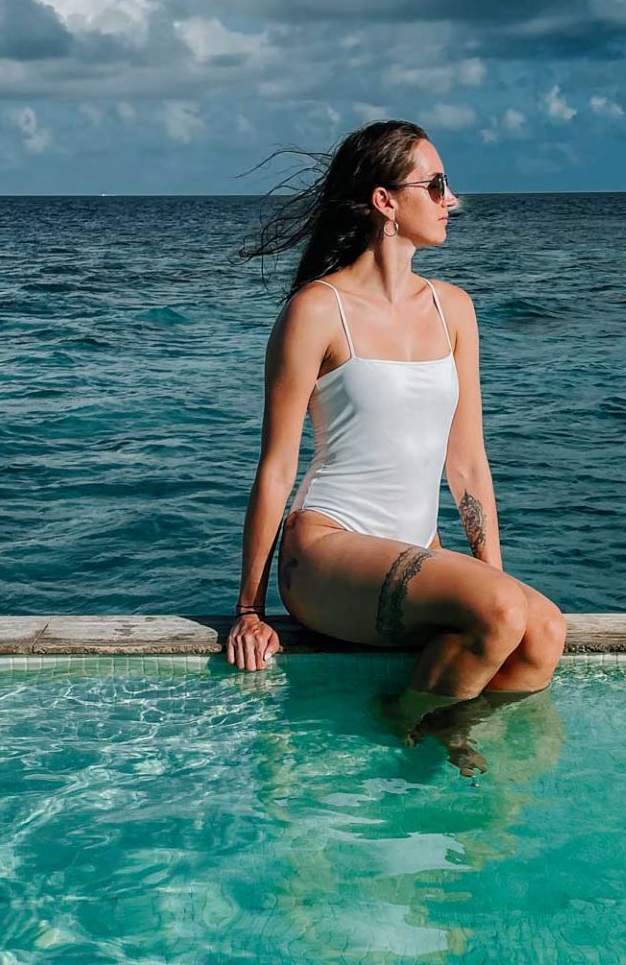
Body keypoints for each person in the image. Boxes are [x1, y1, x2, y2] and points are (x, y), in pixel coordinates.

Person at [231, 120, 567, 745]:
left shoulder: (454, 308)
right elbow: (277, 466)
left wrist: (497, 582)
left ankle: (441, 733)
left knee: (542, 632)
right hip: (328, 548)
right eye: (435, 185)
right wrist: (249, 610)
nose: (452, 200)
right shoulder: (317, 310)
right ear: (385, 202)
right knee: (498, 611)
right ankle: (399, 724)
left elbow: (467, 461)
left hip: (414, 549)